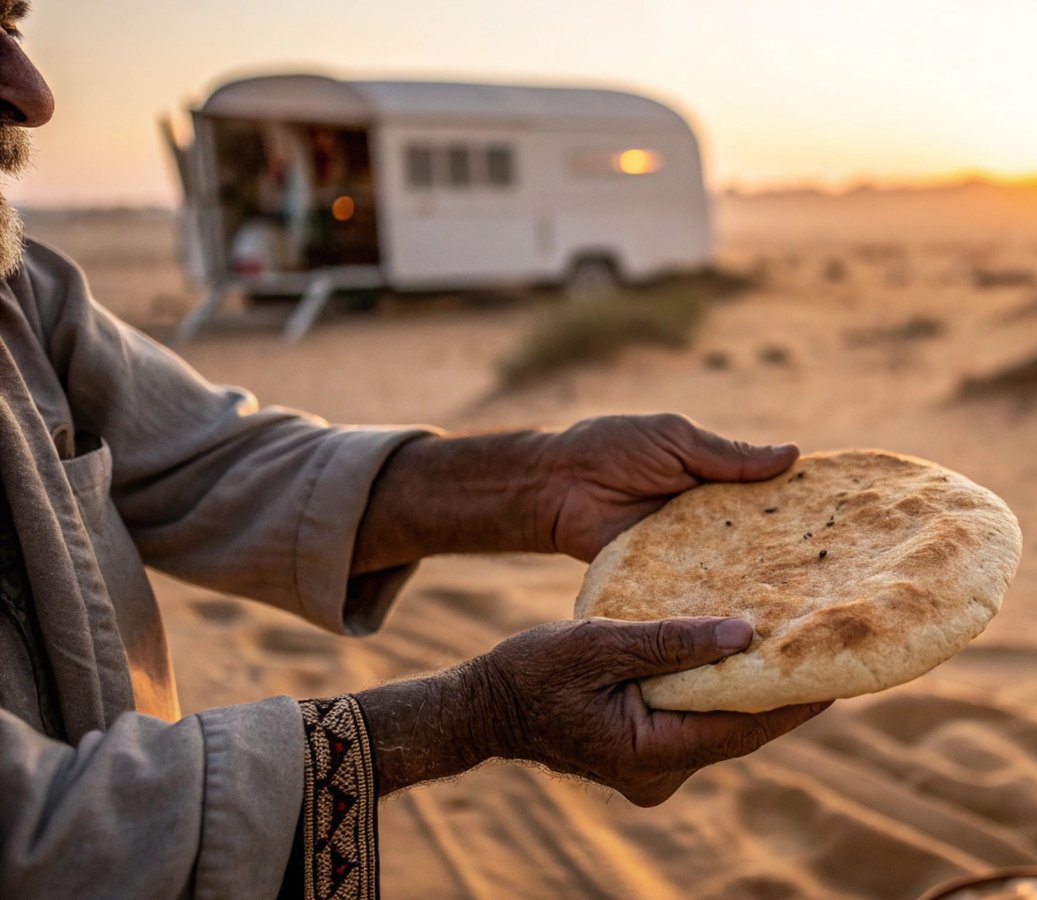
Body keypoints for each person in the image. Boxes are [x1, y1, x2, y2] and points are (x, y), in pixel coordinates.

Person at [0, 4, 828, 897]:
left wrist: (543, 481)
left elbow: (213, 462)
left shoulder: (21, 293)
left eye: (13, 25)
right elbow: (35, 833)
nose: (34, 95)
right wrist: (481, 714)